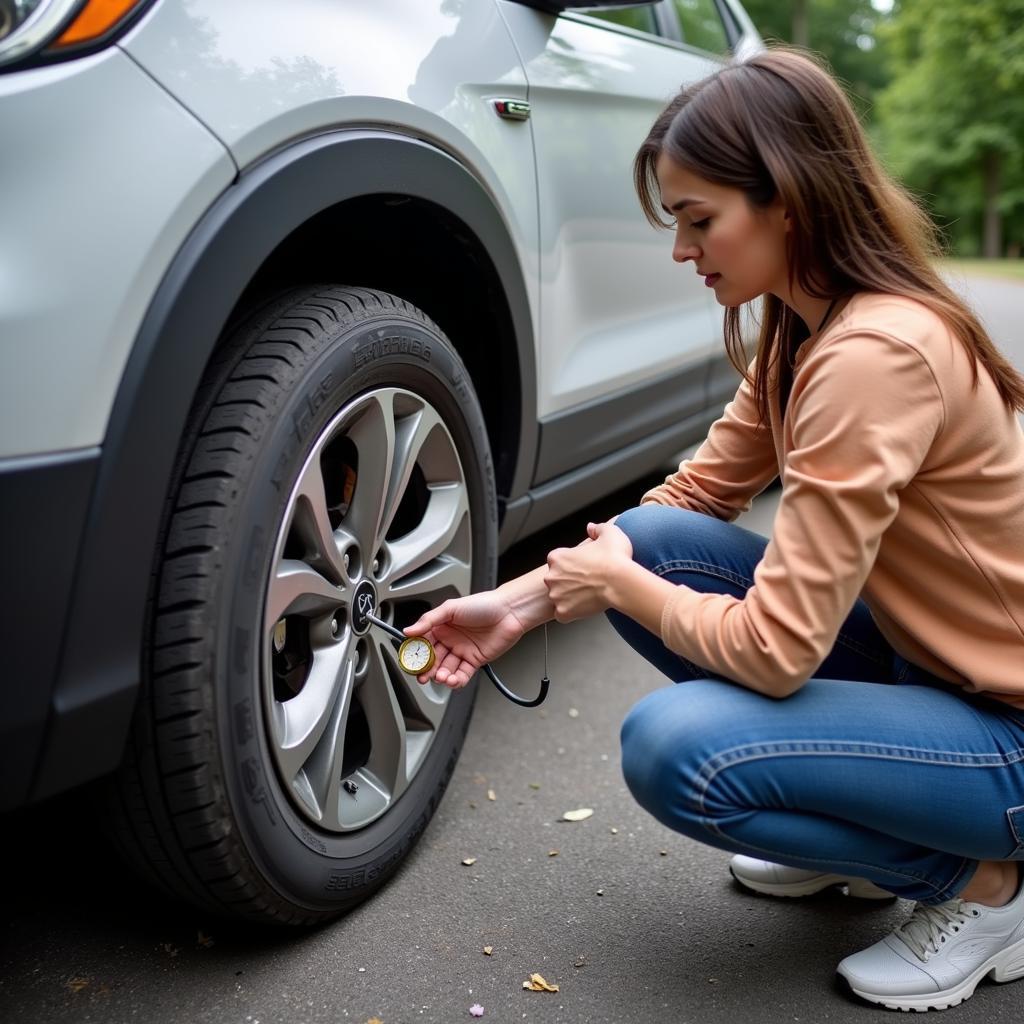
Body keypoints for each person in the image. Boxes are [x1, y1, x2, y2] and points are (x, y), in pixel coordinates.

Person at [403, 47, 1024, 1012]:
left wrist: (618, 587)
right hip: (929, 672)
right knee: (652, 540)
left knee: (681, 751)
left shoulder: (874, 358)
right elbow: (687, 503)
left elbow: (777, 654)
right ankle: (858, 839)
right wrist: (521, 605)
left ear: (790, 199)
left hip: (1006, 732)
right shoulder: (807, 326)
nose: (684, 251)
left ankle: (985, 887)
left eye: (700, 220)